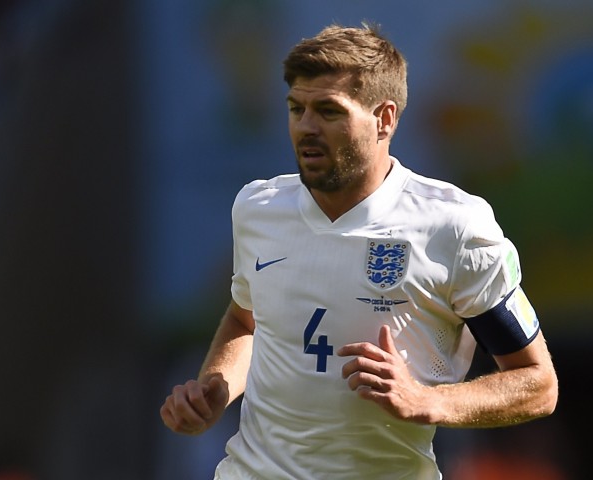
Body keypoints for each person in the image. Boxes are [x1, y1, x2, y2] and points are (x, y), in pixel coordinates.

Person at [159, 22, 559, 480]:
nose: (306, 128)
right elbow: (245, 318)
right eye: (296, 108)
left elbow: (537, 385)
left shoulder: (454, 226)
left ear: (384, 118)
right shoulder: (258, 207)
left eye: (328, 111)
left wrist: (428, 401)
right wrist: (216, 387)